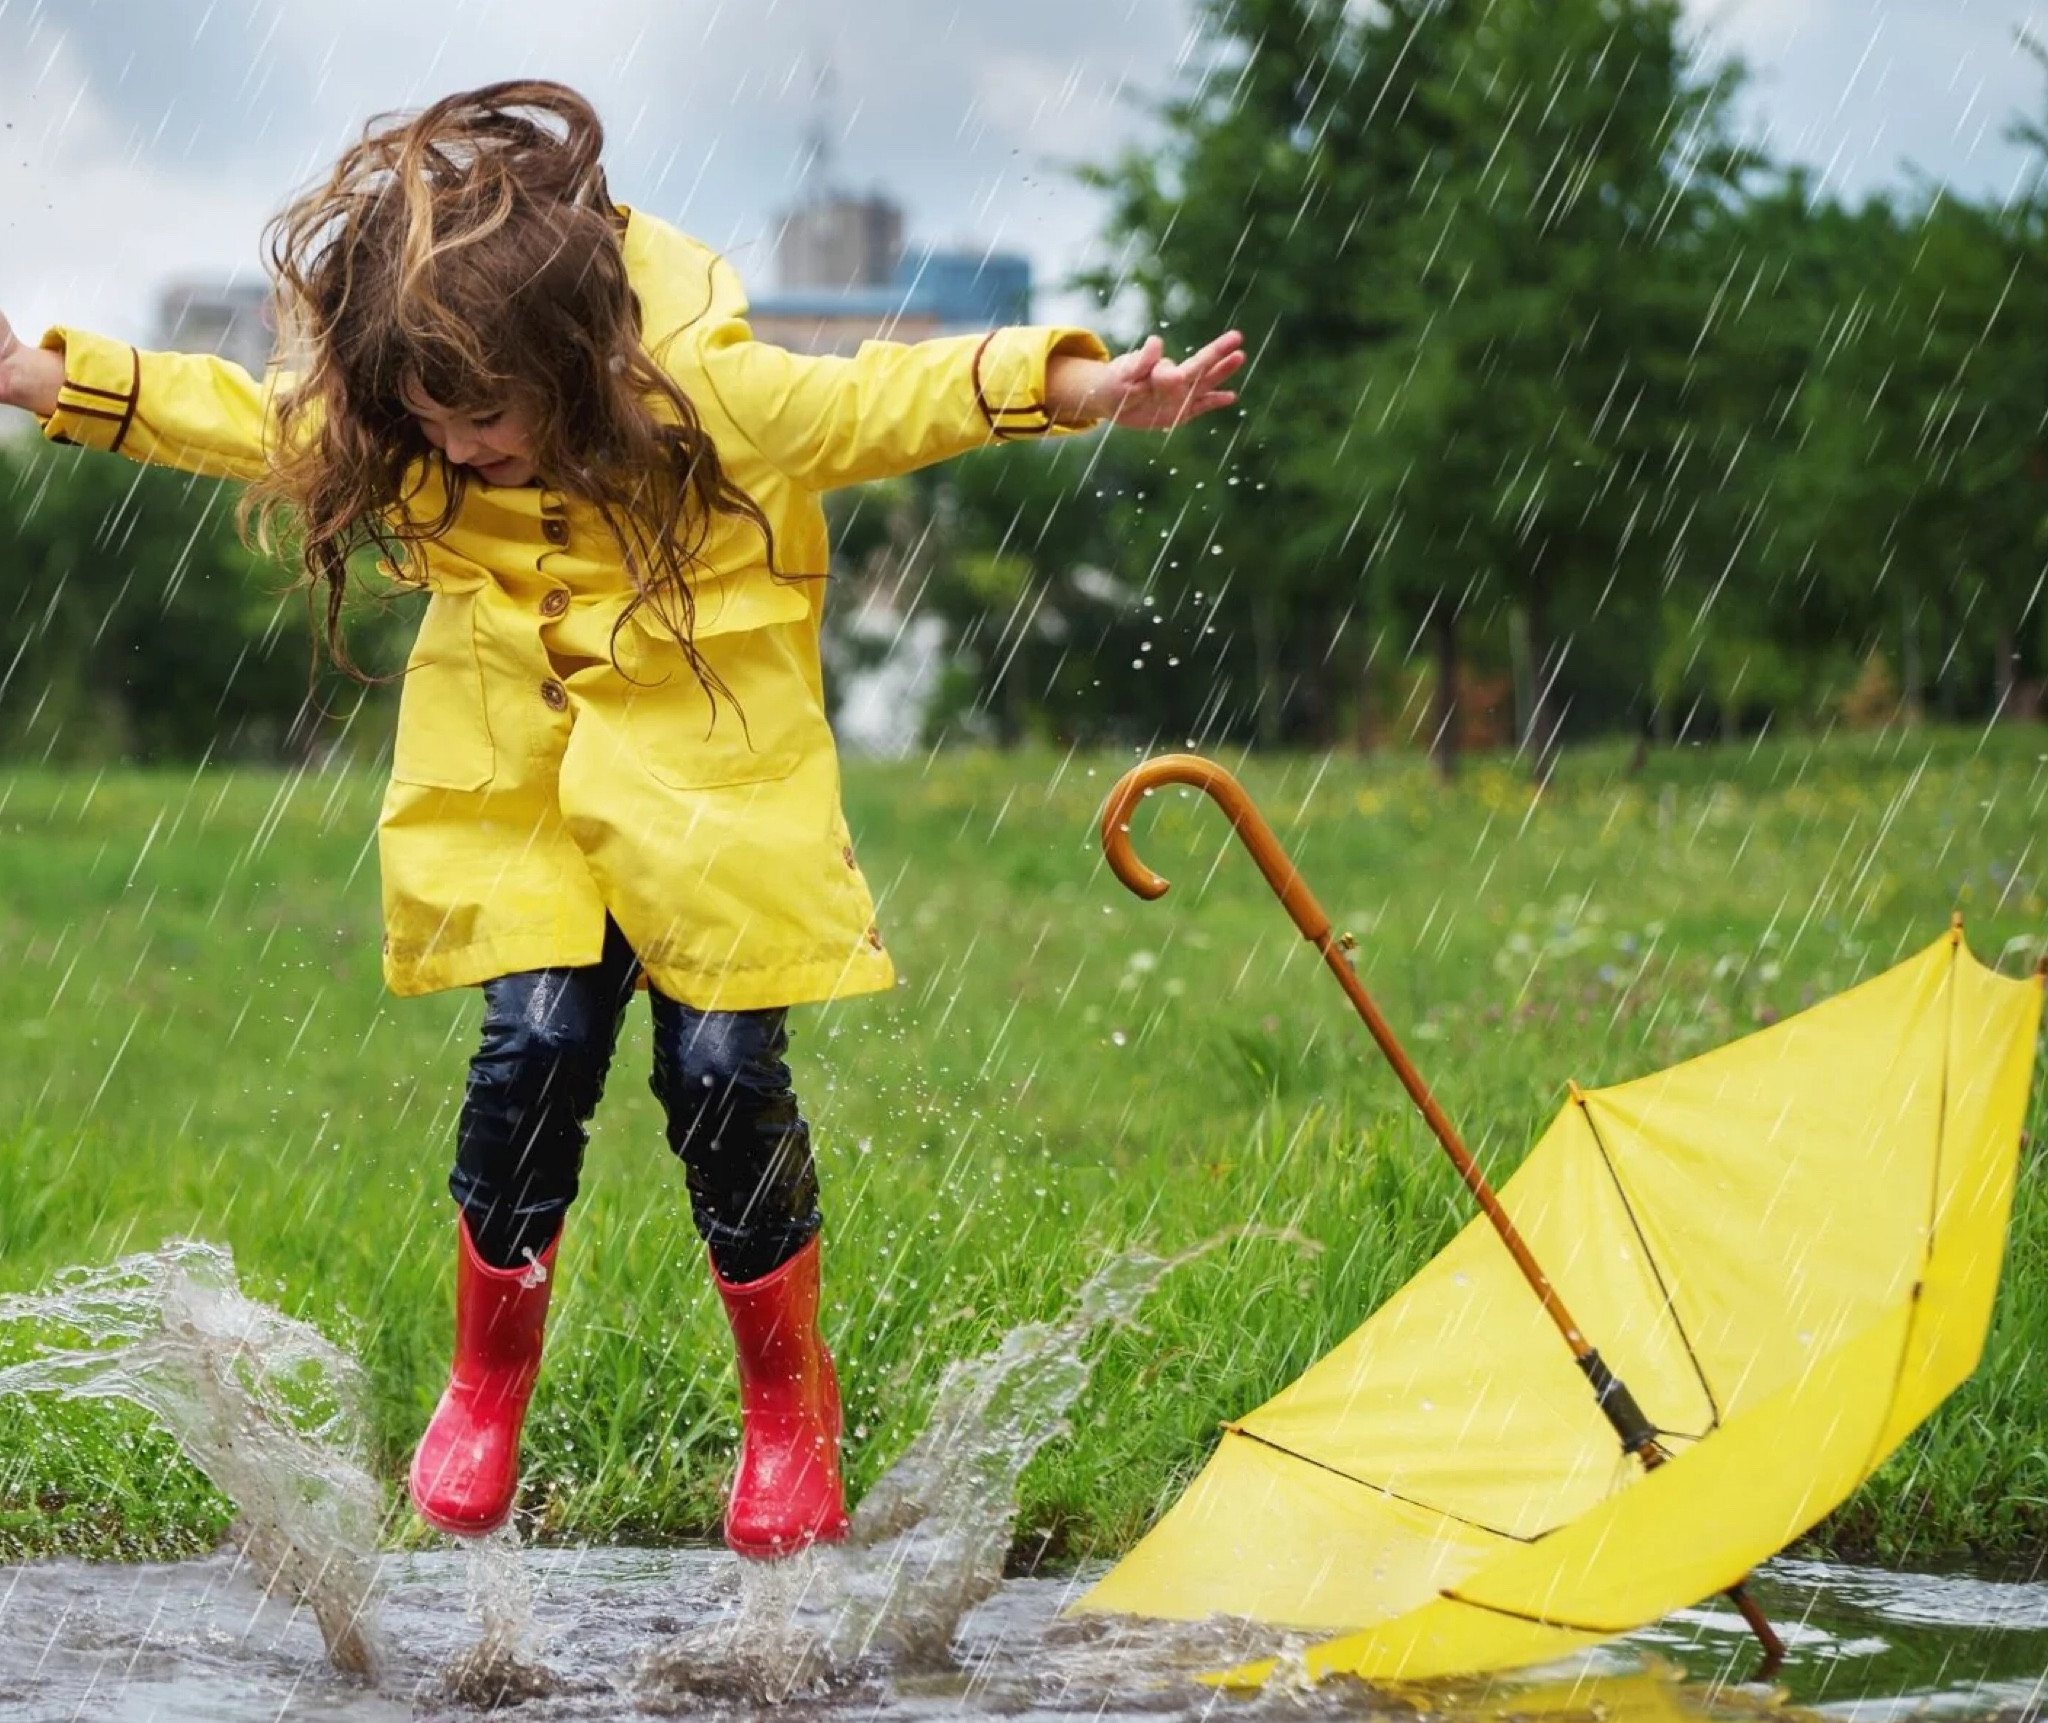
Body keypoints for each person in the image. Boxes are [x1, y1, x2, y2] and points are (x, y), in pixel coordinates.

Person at [0, 80, 1244, 1557]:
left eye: (484, 420)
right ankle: (486, 1379)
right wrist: (42, 380)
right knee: (534, 1049)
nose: (458, 451)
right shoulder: (418, 417)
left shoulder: (706, 392)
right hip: (518, 776)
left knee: (720, 1075)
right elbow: (244, 416)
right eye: (433, 425)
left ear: (567, 365)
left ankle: (787, 1402)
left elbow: (883, 398)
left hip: (716, 770)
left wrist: (1083, 387)